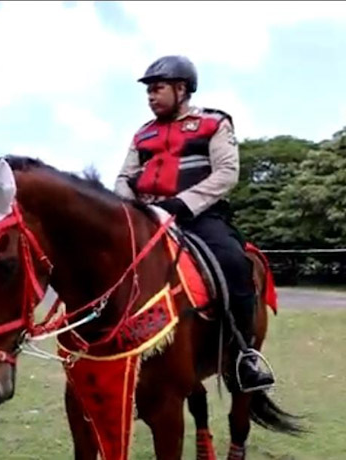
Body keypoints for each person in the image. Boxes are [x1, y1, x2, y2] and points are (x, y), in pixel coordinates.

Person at [113, 55, 274, 393]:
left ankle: (244, 356)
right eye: (148, 92)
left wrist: (181, 204)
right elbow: (125, 177)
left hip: (198, 217)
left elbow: (226, 174)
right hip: (146, 218)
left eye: (157, 89)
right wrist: (131, 207)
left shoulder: (214, 124)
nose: (151, 97)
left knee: (234, 263)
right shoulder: (143, 134)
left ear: (181, 89)